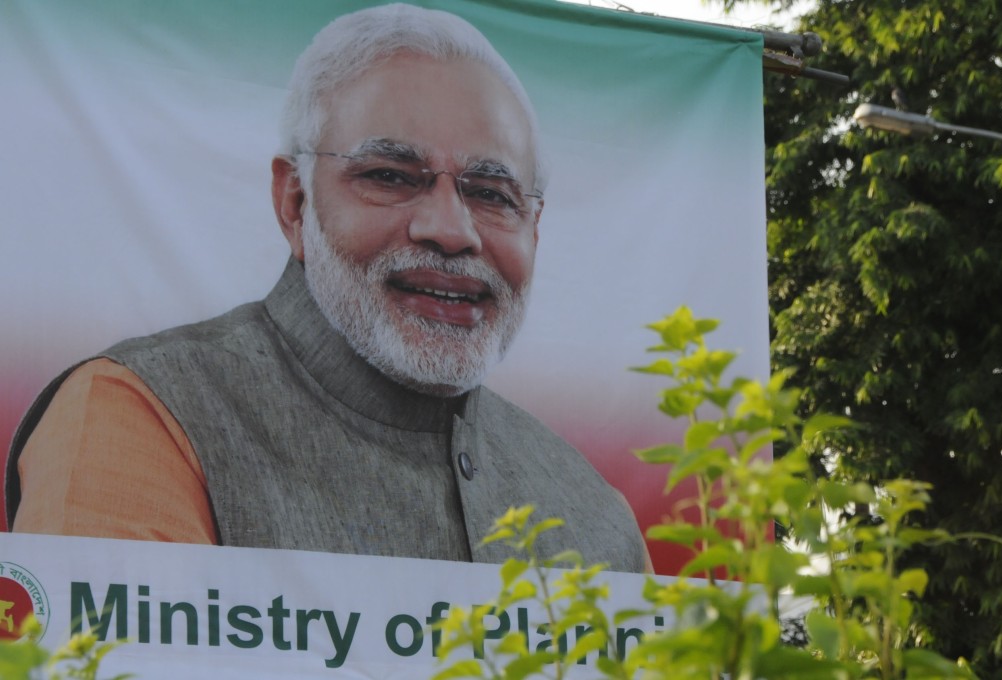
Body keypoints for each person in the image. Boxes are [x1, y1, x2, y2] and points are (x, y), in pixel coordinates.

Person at [5, 3, 648, 572]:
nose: (451, 231)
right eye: (392, 176)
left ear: (535, 228)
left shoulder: (592, 512)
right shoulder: (143, 417)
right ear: (294, 202)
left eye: (490, 193)